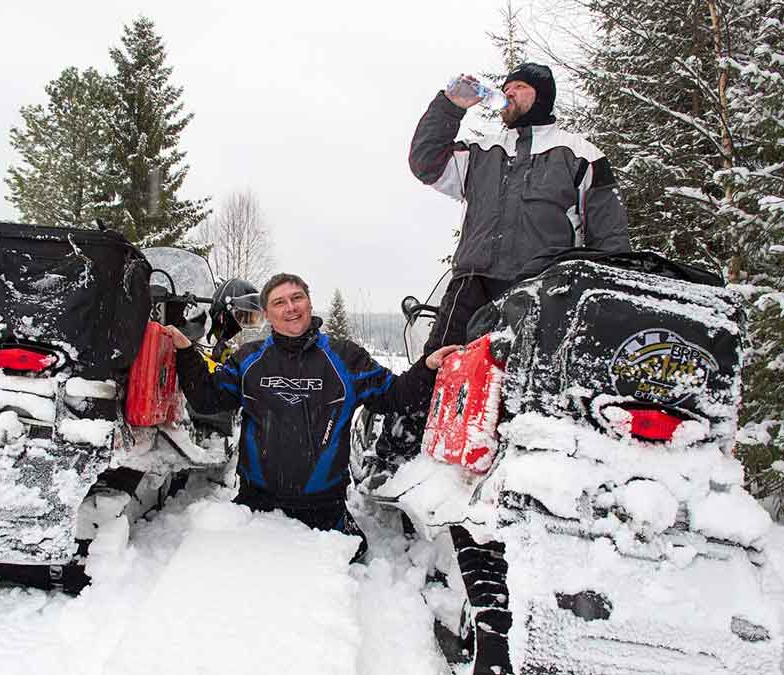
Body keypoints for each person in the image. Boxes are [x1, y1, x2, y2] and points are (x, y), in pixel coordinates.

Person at [374, 63, 632, 465]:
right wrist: (450, 105)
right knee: (438, 367)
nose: (508, 93)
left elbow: (610, 238)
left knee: (524, 382)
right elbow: (425, 162)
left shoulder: (581, 155)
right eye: (506, 86)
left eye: (520, 87)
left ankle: (518, 467)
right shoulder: (482, 152)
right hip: (472, 283)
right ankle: (400, 457)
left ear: (542, 96)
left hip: (541, 290)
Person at [167, 272, 460, 556]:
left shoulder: (345, 357)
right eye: (279, 302)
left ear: (309, 303)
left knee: (340, 574)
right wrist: (185, 352)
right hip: (255, 505)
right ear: (267, 314)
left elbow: (395, 396)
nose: (291, 307)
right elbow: (207, 399)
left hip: (324, 510)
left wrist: (426, 368)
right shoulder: (249, 360)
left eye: (297, 298)